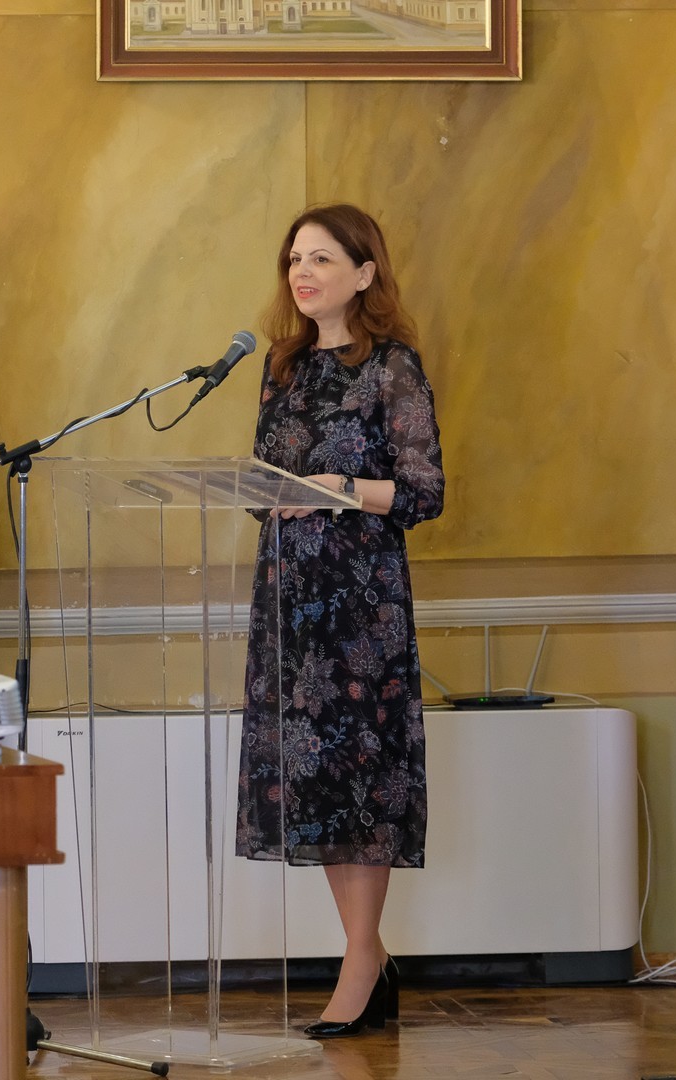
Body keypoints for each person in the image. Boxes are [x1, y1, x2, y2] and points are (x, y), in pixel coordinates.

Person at [235, 203, 444, 1038]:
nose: (303, 272)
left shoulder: (392, 367)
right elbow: (263, 479)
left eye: (321, 258)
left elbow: (424, 492)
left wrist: (342, 491)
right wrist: (266, 494)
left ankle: (360, 962)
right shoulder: (281, 367)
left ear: (364, 273)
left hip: (361, 609)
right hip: (288, 603)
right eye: (295, 259)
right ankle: (368, 955)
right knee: (318, 785)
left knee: (361, 779)